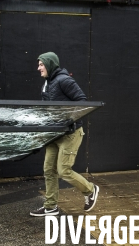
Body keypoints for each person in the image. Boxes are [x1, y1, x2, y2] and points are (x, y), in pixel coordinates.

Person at [30, 52, 99, 217]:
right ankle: (50, 206)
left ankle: (90, 190)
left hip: (70, 133)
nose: (38, 68)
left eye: (41, 64)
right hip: (54, 135)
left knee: (63, 170)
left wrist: (66, 120)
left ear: (49, 63)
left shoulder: (64, 80)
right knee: (49, 170)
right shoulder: (47, 84)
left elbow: (82, 102)